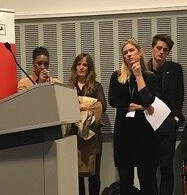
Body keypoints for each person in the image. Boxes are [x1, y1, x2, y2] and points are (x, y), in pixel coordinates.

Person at [108, 38, 158, 195]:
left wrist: (138, 76)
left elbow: (148, 100)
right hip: (124, 134)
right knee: (126, 180)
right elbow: (113, 101)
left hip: (144, 135)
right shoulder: (116, 77)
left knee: (147, 179)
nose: (128, 54)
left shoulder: (150, 77)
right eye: (125, 52)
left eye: (131, 50)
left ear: (140, 52)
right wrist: (139, 106)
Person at [147, 34, 184, 195]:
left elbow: (180, 96)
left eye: (165, 50)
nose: (161, 52)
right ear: (152, 49)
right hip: (147, 125)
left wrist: (175, 118)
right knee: (148, 167)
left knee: (166, 167)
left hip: (168, 124)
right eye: (159, 48)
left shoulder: (175, 69)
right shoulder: (143, 69)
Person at [68, 53, 106, 195]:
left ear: (89, 68)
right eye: (79, 64)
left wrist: (77, 104)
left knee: (94, 174)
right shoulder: (69, 87)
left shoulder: (96, 86)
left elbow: (102, 106)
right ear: (75, 67)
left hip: (93, 136)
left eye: (85, 65)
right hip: (74, 135)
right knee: (76, 175)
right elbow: (64, 106)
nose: (81, 68)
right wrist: (84, 106)